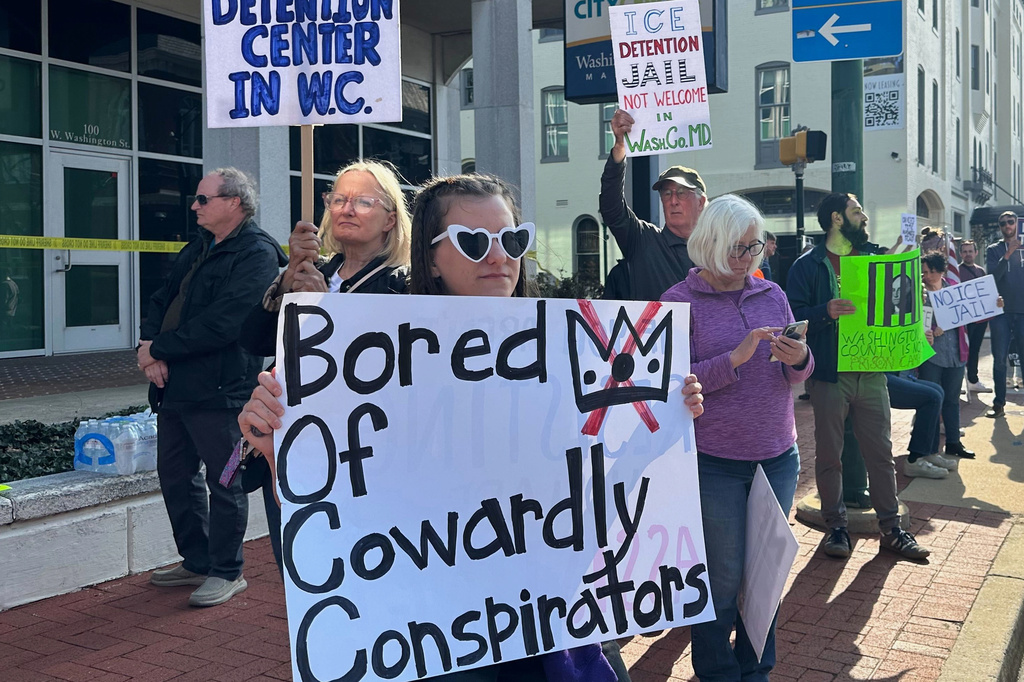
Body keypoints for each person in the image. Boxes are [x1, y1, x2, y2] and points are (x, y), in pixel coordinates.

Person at [238, 173, 706, 682]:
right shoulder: (374, 364)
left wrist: (664, 417)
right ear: (431, 258)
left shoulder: (567, 354)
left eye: (512, 239)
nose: (499, 256)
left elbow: (599, 477)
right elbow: (339, 509)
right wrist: (279, 449)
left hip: (550, 615)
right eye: (473, 242)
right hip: (440, 630)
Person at [661, 195, 812, 682]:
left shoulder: (771, 293)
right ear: (709, 243)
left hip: (778, 454)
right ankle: (717, 671)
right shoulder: (677, 302)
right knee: (722, 580)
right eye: (737, 248)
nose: (747, 259)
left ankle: (757, 670)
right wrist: (735, 359)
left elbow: (798, 374)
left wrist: (799, 359)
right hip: (715, 460)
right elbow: (669, 386)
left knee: (766, 575)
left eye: (754, 247)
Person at [237, 159, 411, 572]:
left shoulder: (403, 283)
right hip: (292, 440)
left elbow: (386, 365)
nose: (347, 209)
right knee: (297, 566)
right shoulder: (316, 271)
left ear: (390, 219)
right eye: (338, 199)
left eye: (363, 202)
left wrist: (324, 309)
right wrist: (287, 279)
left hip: (358, 450)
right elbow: (254, 340)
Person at [138, 167, 287, 607]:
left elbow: (226, 322)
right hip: (177, 386)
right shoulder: (200, 246)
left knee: (226, 481)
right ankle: (197, 560)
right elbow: (162, 298)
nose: (194, 206)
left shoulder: (257, 253)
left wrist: (160, 348)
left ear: (234, 203)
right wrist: (149, 348)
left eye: (203, 199)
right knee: (175, 476)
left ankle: (226, 570)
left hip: (222, 390)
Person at [786, 192, 931, 561]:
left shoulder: (874, 258)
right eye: (857, 211)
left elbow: (896, 304)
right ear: (837, 218)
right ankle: (836, 527)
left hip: (871, 373)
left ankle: (892, 529)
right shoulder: (808, 265)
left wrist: (916, 324)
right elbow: (793, 318)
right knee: (829, 455)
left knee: (881, 454)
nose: (864, 217)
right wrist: (826, 311)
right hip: (829, 375)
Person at [599, 108, 707, 301]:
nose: (673, 201)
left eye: (681, 193)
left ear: (701, 202)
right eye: (667, 193)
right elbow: (612, 208)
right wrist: (620, 148)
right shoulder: (644, 241)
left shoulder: (717, 250)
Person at [919, 251, 975, 459]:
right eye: (924, 272)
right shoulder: (919, 294)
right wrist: (930, 330)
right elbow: (913, 323)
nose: (928, 276)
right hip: (931, 356)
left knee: (952, 400)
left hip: (955, 353)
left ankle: (953, 442)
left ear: (941, 270)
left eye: (931, 271)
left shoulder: (954, 288)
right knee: (931, 400)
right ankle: (929, 447)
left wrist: (993, 304)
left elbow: (972, 312)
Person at [985, 210, 1024, 417]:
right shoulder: (993, 250)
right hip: (1001, 312)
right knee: (999, 359)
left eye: (1010, 221)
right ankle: (999, 404)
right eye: (1003, 223)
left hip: (1023, 312)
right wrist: (1008, 254)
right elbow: (992, 277)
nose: (1007, 225)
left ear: (1017, 224)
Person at [888, 372, 955, 479]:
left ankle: (928, 453)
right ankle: (914, 460)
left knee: (938, 390)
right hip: (876, 376)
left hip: (894, 373)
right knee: (932, 397)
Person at [958, 240, 991, 392]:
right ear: (960, 254)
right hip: (964, 319)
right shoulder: (956, 271)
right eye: (965, 251)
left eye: (970, 251)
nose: (968, 254)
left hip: (979, 319)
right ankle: (957, 383)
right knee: (961, 350)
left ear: (976, 253)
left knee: (975, 349)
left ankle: (973, 380)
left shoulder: (981, 271)